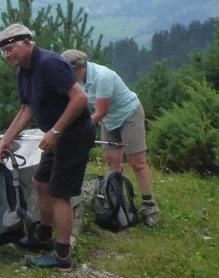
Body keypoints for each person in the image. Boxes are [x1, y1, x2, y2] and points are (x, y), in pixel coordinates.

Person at [0, 24, 94, 269]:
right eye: (4, 51)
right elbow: (27, 109)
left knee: (60, 193)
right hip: (55, 136)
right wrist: (6, 138)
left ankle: (62, 258)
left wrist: (55, 131)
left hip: (73, 135)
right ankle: (44, 238)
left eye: (11, 49)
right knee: (42, 183)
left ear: (27, 43)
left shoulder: (49, 64)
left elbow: (80, 98)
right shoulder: (24, 71)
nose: (8, 55)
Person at [61, 49, 159, 226]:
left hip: (129, 114)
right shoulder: (78, 80)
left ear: (79, 68)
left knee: (137, 162)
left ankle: (149, 207)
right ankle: (116, 203)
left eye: (68, 71)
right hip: (109, 120)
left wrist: (74, 129)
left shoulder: (102, 77)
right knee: (112, 162)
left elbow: (100, 112)